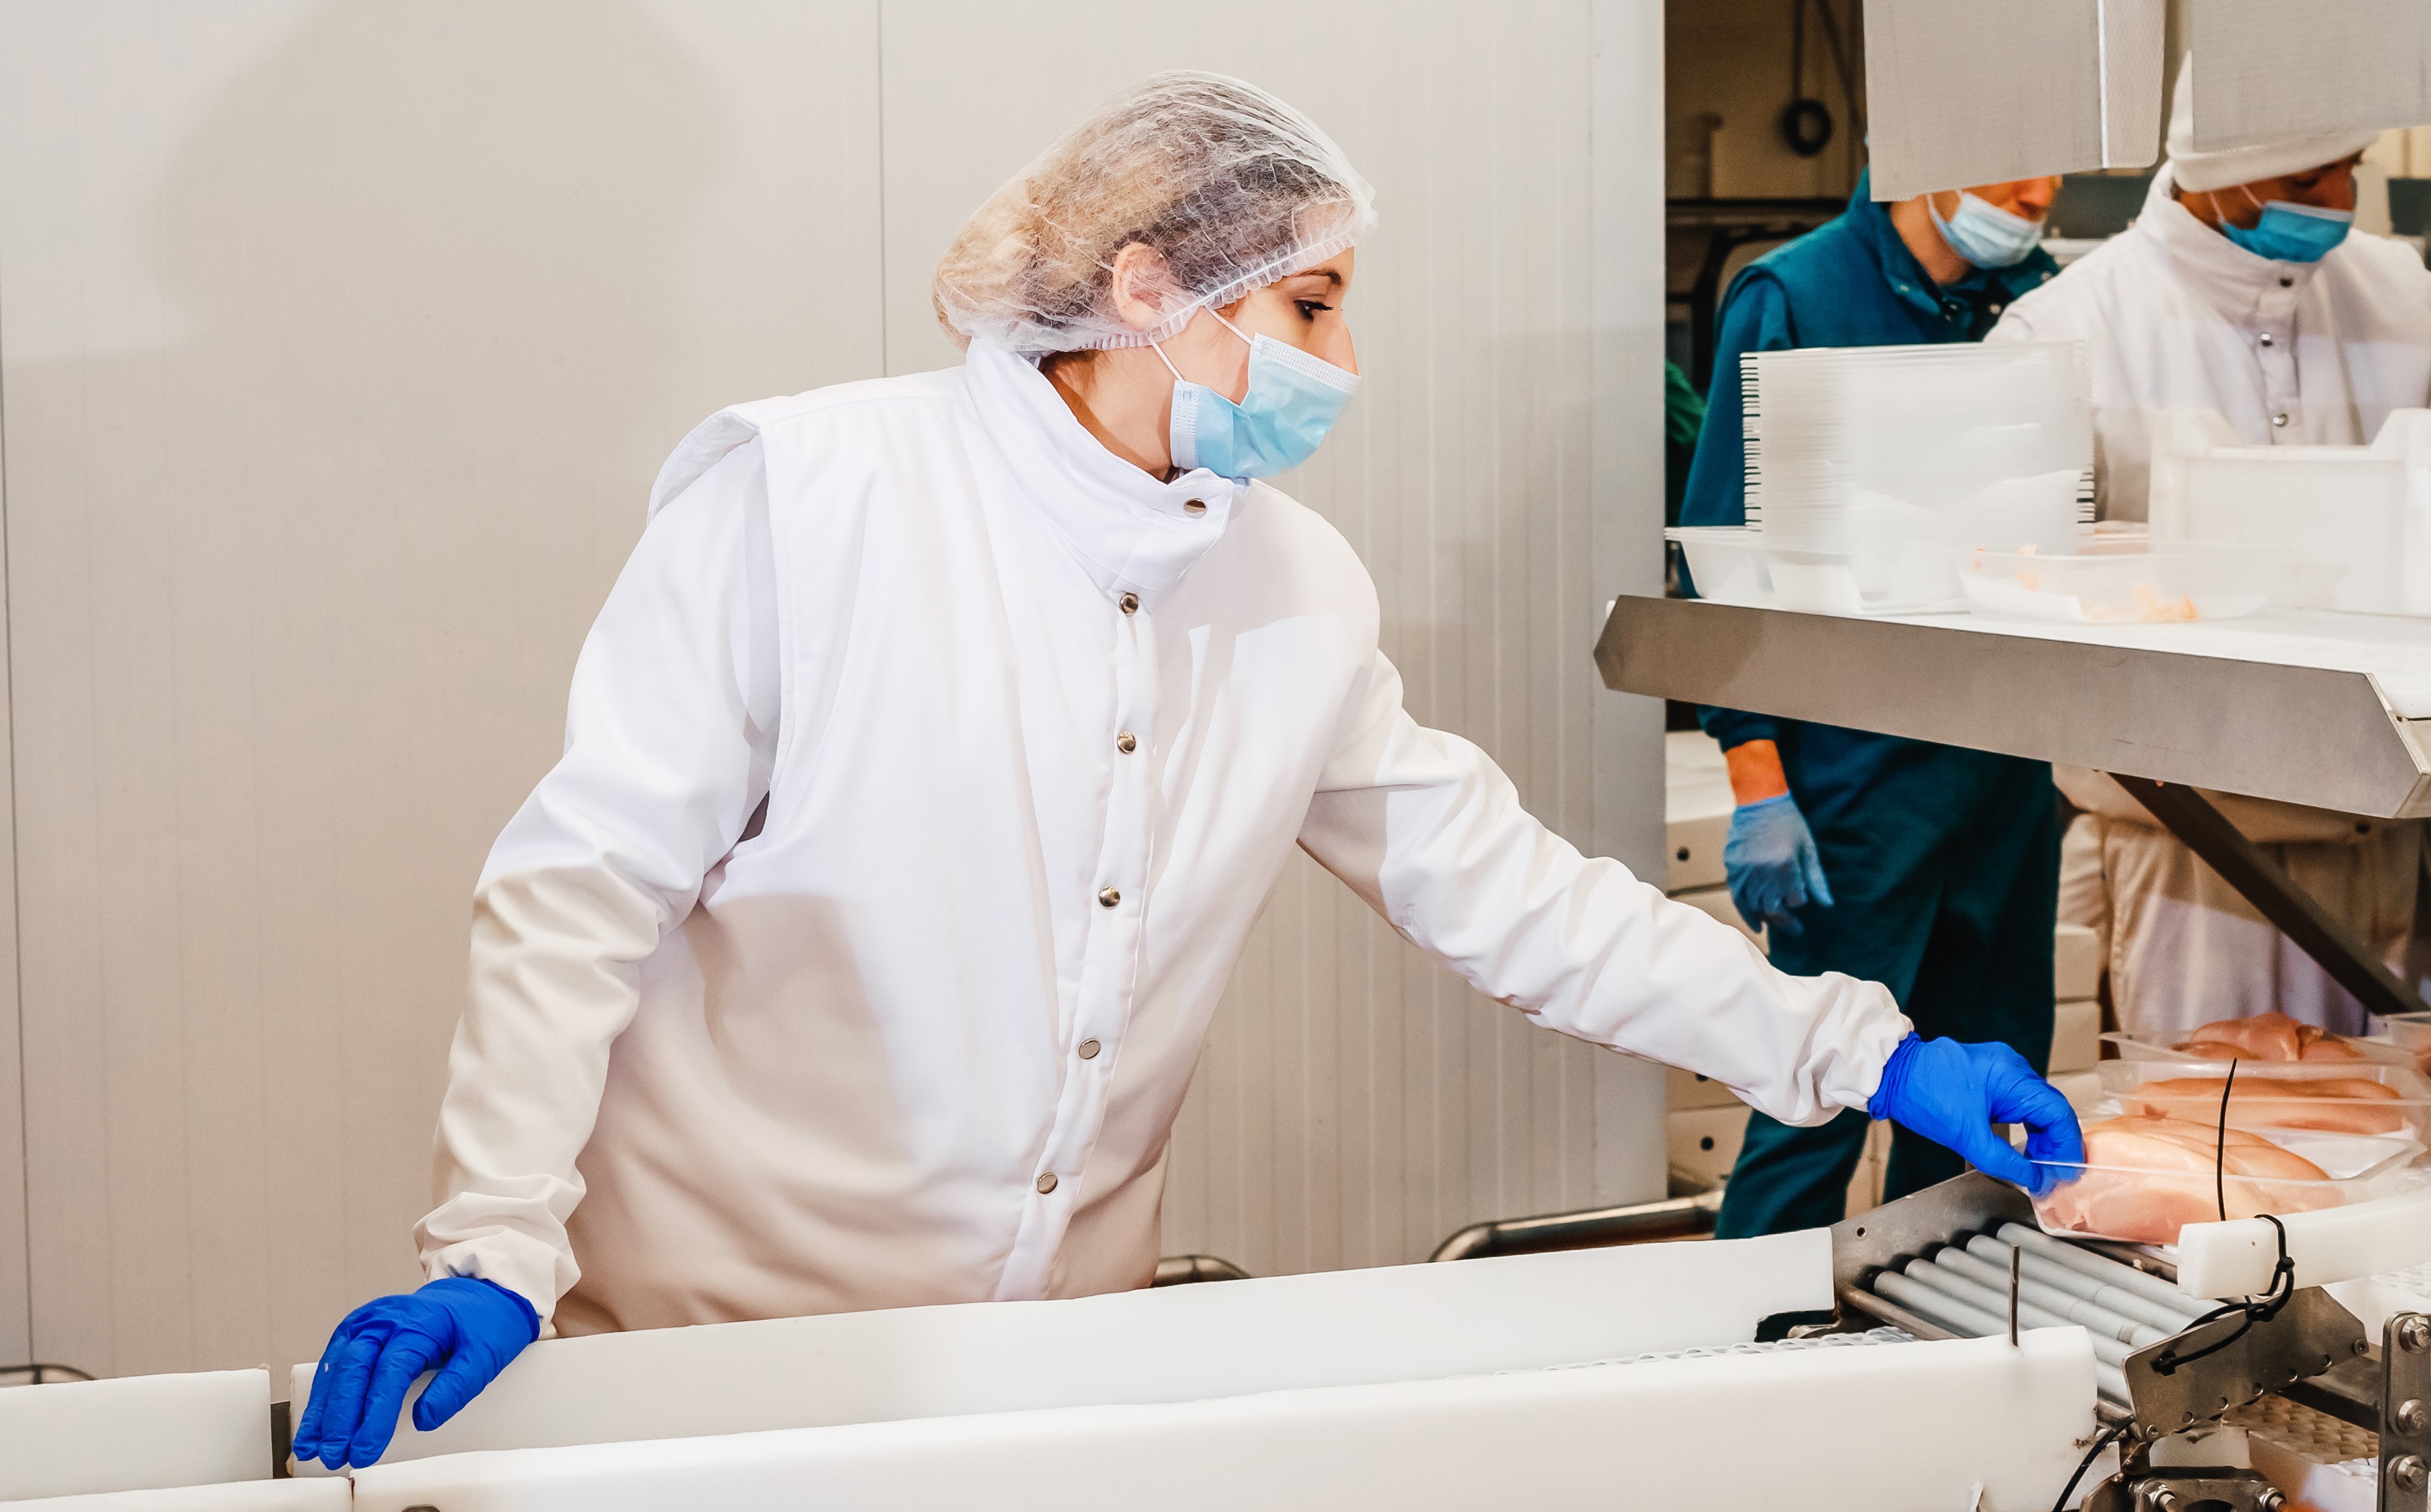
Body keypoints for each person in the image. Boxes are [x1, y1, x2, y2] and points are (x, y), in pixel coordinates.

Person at [289, 74, 2081, 1470]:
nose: (1343, 363)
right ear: (1149, 285)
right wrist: (492, 1245)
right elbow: (577, 886)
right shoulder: (812, 498)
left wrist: (1862, 1045)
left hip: (1061, 1373)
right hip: (714, 1357)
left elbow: (1510, 896)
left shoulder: (1286, 581)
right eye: (1311, 305)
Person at [1987, 57, 2431, 1035]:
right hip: (2197, 851)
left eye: (2350, 167)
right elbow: (2020, 604)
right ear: (2210, 169)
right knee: (2223, 1144)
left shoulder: (2409, 304)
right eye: (2308, 183)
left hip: (2411, 825)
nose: (2341, 203)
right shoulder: (2065, 332)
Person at [1679, 170, 2070, 1239]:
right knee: (1818, 1093)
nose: (2036, 194)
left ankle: (1931, 1354)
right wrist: (1757, 778)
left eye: (2055, 167)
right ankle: (1741, 1365)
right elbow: (1723, 562)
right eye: (2011, 164)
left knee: (1978, 1114)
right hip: (1853, 775)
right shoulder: (1796, 296)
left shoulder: (2033, 302)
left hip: (2004, 763)